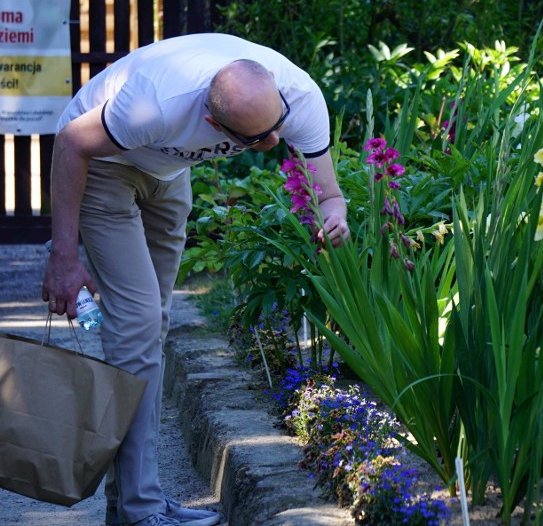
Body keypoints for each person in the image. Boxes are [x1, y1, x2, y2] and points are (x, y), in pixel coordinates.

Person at [41, 33, 349, 526]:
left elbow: (329, 193)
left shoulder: (300, 96)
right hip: (104, 164)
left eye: (278, 129)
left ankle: (135, 505)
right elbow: (73, 142)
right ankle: (142, 510)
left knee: (148, 330)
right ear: (211, 122)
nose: (273, 143)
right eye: (255, 141)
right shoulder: (155, 104)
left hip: (168, 170)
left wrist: (333, 215)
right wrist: (63, 256)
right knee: (138, 328)